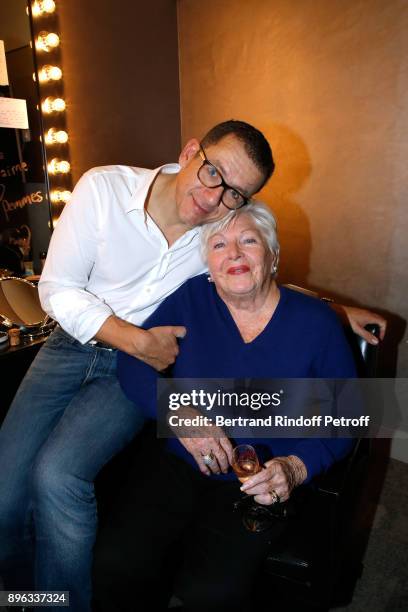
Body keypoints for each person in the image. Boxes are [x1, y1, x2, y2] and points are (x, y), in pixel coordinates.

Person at [0, 120, 385, 611]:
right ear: (189, 153)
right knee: (6, 493)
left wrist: (336, 312)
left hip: (153, 391)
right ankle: (25, 597)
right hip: (76, 344)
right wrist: (147, 358)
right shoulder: (109, 193)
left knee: (57, 478)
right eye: (213, 173)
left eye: (235, 197)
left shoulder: (223, 239)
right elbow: (58, 292)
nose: (214, 198)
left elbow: (258, 272)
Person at [92, 202, 357, 612]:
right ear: (208, 265)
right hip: (179, 462)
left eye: (248, 240)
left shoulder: (316, 323)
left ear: (273, 257)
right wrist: (175, 413)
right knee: (116, 563)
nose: (232, 253)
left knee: (210, 592)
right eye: (218, 244)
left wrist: (295, 466)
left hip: (259, 479)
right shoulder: (191, 300)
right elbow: (133, 360)